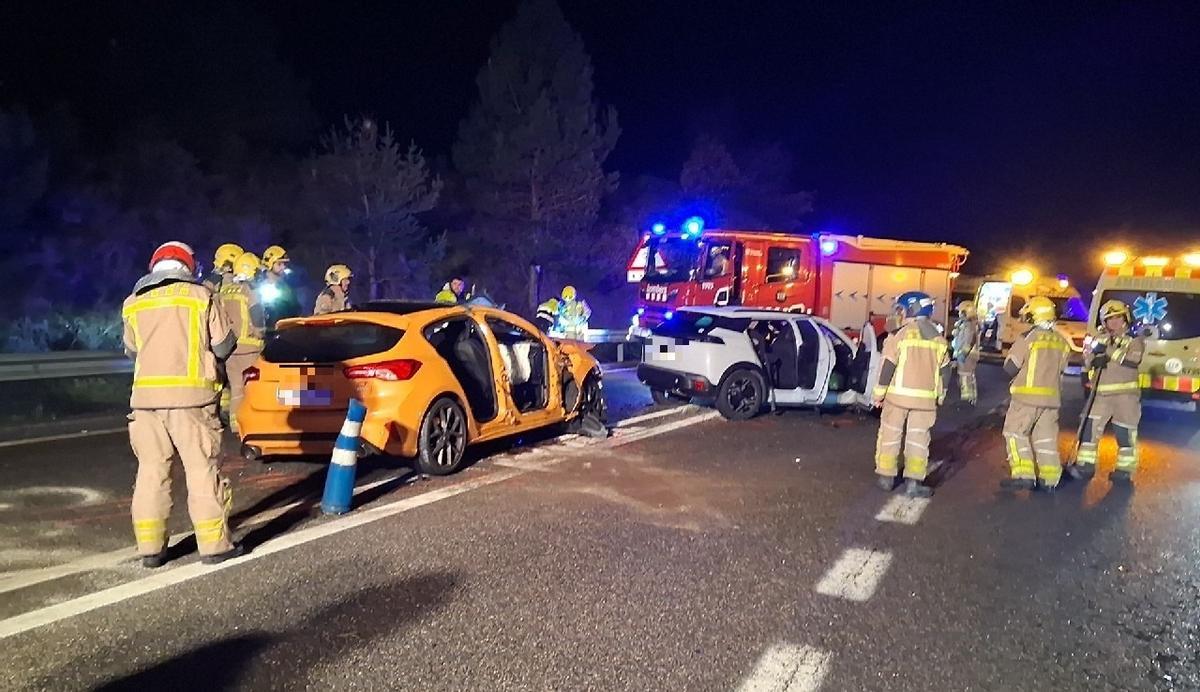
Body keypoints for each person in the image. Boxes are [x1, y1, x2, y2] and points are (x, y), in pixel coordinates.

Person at [121, 241, 242, 567]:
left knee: (151, 472)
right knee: (202, 470)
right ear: (190, 267)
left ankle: (150, 549)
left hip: (145, 403)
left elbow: (133, 351)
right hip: (193, 400)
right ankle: (215, 546)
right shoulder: (201, 296)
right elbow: (224, 345)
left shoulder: (133, 303)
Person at [871, 291, 950, 497]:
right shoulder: (938, 339)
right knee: (919, 440)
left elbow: (888, 366)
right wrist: (941, 395)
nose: (899, 313)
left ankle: (886, 478)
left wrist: (878, 394)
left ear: (912, 310)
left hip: (897, 398)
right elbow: (946, 371)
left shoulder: (900, 335)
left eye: (902, 309)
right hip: (925, 401)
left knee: (890, 435)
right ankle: (914, 484)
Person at [999, 296, 1073, 492]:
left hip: (1026, 398)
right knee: (1045, 438)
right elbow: (1063, 367)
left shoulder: (1028, 338)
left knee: (1015, 433)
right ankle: (1050, 478)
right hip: (1051, 400)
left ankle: (1024, 475)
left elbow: (1010, 367)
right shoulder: (1061, 341)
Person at [1070, 299, 1145, 484]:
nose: (1114, 322)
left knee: (1124, 434)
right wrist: (1089, 365)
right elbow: (1087, 359)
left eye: (1118, 318)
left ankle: (1124, 470)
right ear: (1104, 322)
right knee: (1088, 430)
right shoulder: (1098, 339)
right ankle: (1085, 467)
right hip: (1100, 396)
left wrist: (1109, 351)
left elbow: (1133, 361)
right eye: (1110, 319)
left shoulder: (1135, 341)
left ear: (1125, 319)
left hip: (1125, 398)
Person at [217, 252, 266, 433]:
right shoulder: (249, 290)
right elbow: (257, 315)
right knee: (252, 388)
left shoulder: (225, 291)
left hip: (231, 349)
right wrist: (261, 333)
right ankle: (253, 425)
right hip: (250, 348)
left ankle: (236, 425)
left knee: (236, 387)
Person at [258, 245, 301, 328]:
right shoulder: (258, 285)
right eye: (279, 264)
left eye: (284, 264)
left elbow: (296, 310)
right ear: (269, 264)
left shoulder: (286, 287)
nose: (283, 267)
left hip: (284, 331)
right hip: (266, 331)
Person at [951, 300, 982, 404]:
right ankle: (972, 398)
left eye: (961, 311)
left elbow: (969, 340)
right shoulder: (969, 324)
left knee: (964, 377)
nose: (959, 313)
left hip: (967, 356)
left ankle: (966, 400)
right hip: (969, 355)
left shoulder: (969, 325)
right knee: (969, 376)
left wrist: (962, 354)